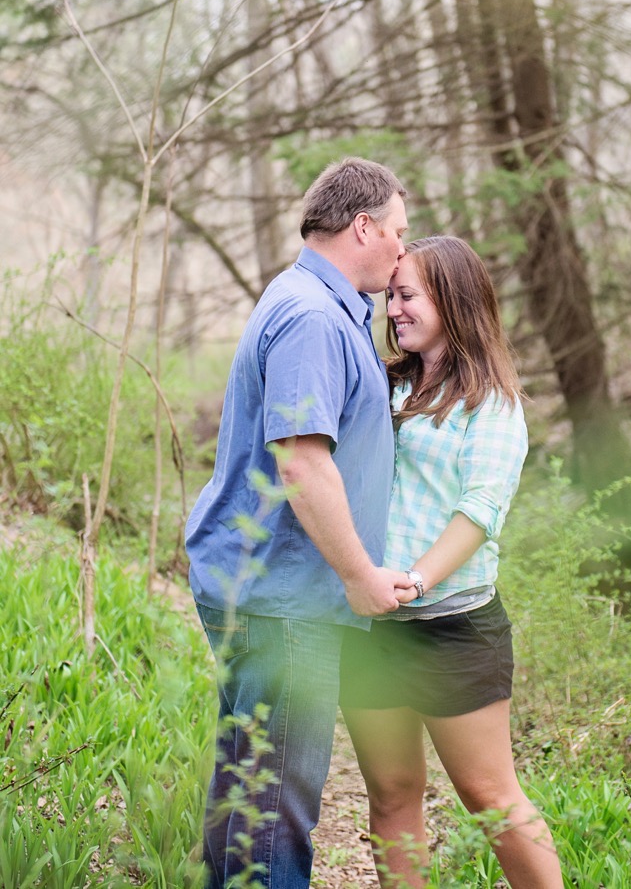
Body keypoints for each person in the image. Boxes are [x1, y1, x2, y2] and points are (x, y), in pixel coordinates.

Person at [185, 156, 414, 889]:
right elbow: (303, 463)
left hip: (274, 593)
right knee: (273, 808)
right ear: (364, 225)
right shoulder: (314, 317)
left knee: (249, 794)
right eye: (399, 235)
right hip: (285, 601)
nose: (404, 252)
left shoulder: (320, 305)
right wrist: (360, 576)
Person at [340, 236, 565, 889]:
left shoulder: (492, 403)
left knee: (491, 799)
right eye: (391, 296)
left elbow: (480, 510)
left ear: (455, 302)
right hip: (372, 630)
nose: (395, 309)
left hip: (454, 630)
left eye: (408, 296)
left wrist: (415, 581)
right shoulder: (387, 384)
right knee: (391, 793)